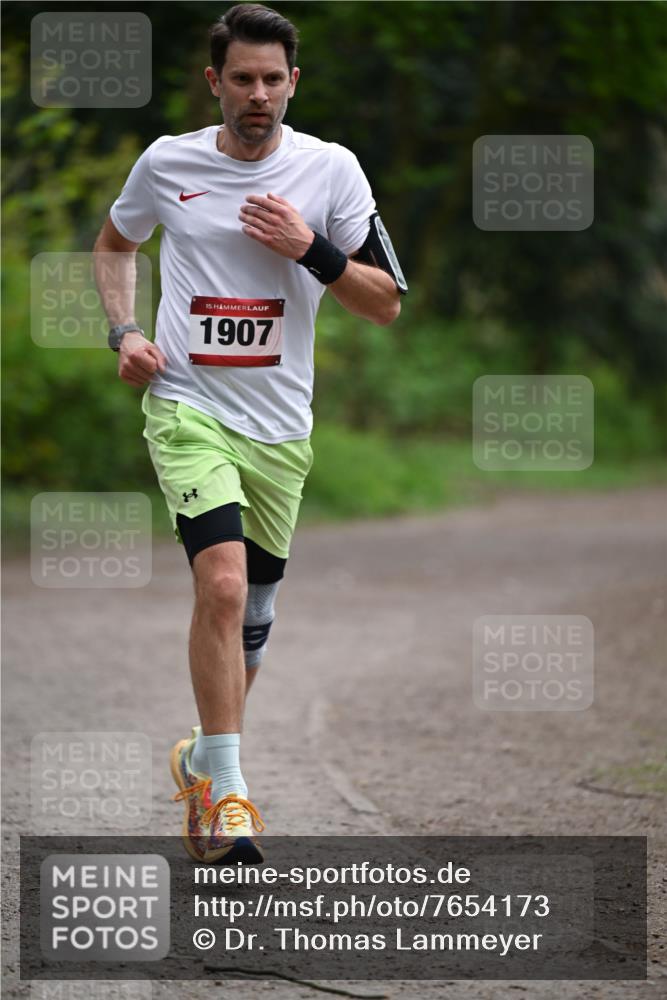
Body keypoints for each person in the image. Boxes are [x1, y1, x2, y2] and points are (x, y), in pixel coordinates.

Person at [94, 2, 407, 865]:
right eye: (242, 79)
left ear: (292, 82)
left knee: (254, 616)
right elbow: (115, 245)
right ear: (214, 83)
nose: (258, 94)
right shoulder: (168, 163)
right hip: (188, 407)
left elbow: (384, 303)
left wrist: (313, 250)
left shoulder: (332, 171)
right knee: (224, 589)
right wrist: (124, 332)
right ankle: (227, 796)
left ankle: (201, 756)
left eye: (273, 79)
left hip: (280, 427)